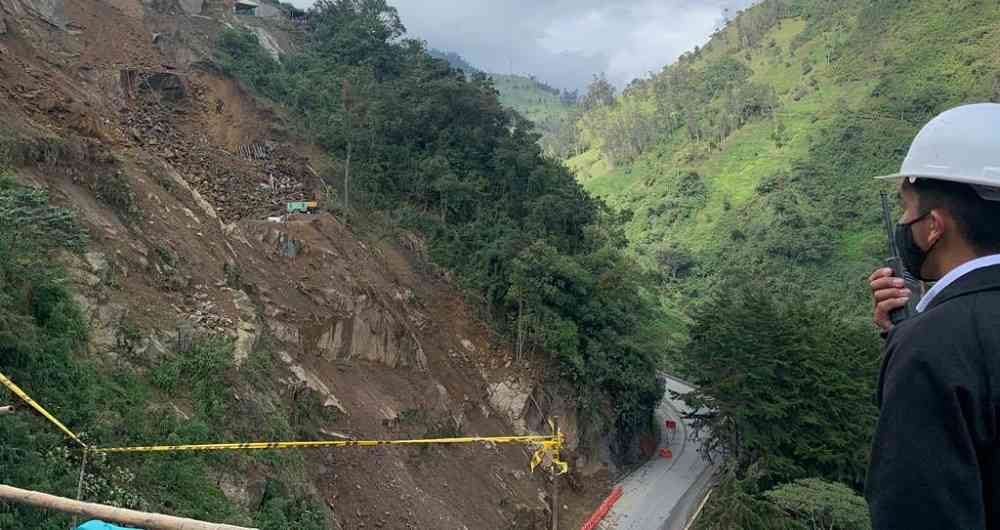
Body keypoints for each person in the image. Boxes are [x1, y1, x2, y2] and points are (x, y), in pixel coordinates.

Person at [866, 102, 1000, 529]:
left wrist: (915, 339)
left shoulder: (931, 347)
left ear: (934, 226)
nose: (905, 222)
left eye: (907, 209)